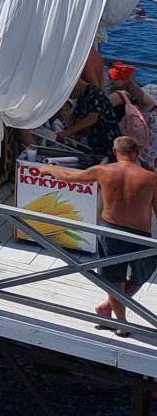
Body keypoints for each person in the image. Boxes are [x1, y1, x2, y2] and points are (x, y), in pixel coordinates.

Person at [34, 137, 157, 331]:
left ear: (114, 152)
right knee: (141, 276)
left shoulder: (103, 171)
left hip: (110, 231)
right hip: (139, 235)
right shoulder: (151, 178)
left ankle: (109, 309)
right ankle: (121, 323)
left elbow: (68, 176)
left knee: (114, 280)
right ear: (137, 153)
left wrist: (48, 169)